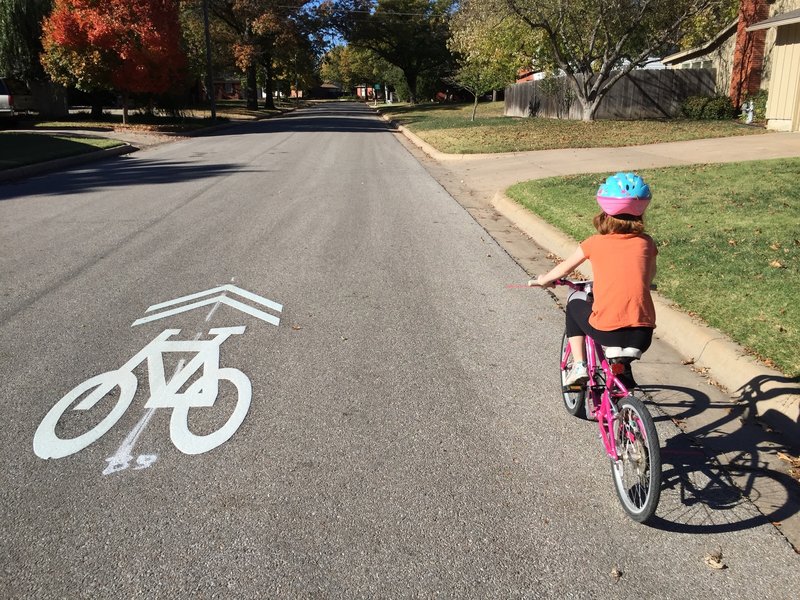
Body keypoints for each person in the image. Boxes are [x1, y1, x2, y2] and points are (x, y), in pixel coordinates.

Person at [528, 172, 658, 387]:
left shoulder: (594, 243)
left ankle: (579, 365)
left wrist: (544, 280)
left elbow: (564, 269)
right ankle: (625, 387)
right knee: (623, 364)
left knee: (574, 305)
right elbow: (649, 274)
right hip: (643, 335)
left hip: (607, 331)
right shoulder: (647, 243)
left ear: (605, 212)